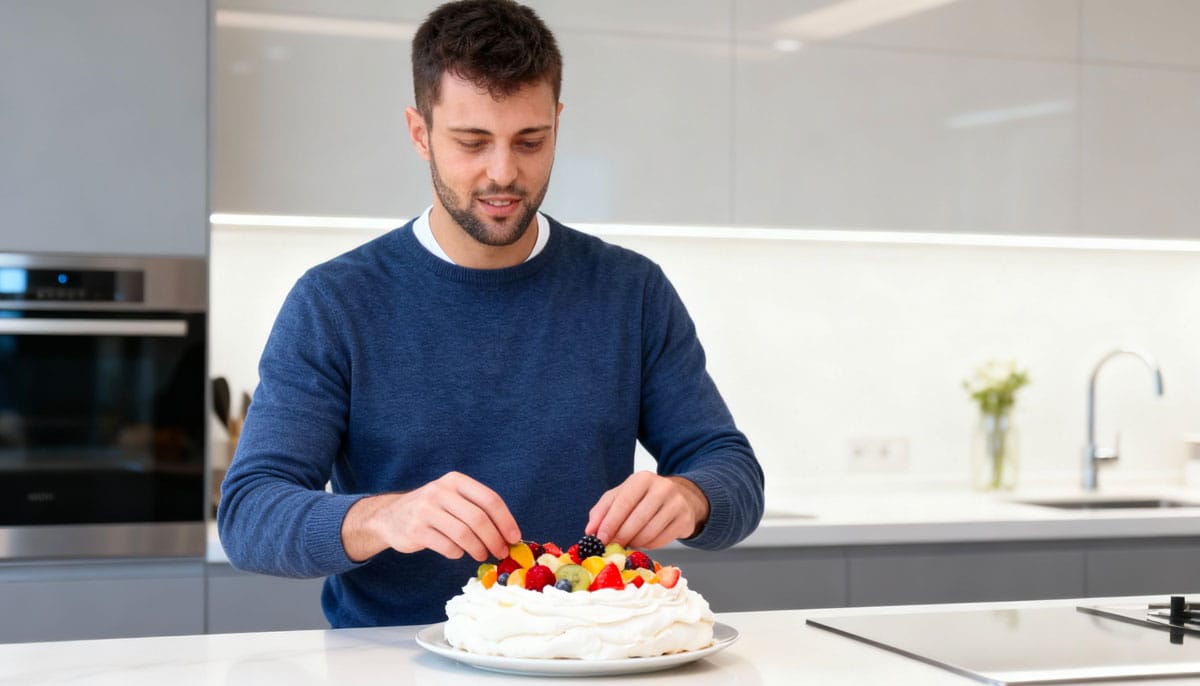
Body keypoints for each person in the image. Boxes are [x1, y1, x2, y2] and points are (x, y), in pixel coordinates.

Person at [217, 0, 764, 628]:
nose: (503, 173)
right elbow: (250, 515)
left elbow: (733, 471)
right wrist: (384, 517)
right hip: (394, 658)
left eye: (530, 141)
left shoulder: (631, 291)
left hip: (585, 656)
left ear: (558, 124)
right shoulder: (334, 302)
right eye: (472, 142)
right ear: (419, 132)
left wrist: (691, 497)